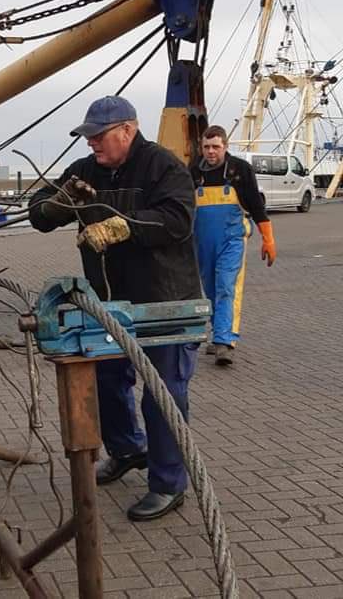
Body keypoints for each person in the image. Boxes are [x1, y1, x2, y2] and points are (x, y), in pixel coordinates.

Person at [28, 95, 202, 521]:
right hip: (109, 303)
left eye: (98, 136)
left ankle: (167, 483)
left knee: (162, 395)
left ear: (127, 130)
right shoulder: (85, 171)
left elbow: (178, 219)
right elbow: (38, 213)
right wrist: (55, 203)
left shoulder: (164, 166)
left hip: (164, 302)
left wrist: (123, 226)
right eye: (87, 138)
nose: (92, 145)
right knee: (105, 381)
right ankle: (127, 450)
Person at [192, 125, 276, 366]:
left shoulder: (240, 170)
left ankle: (224, 342)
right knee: (210, 288)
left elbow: (257, 207)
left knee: (226, 286)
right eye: (206, 147)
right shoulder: (194, 172)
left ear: (225, 147)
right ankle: (219, 333)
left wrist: (268, 238)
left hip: (232, 240)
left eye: (216, 147)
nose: (210, 152)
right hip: (203, 241)